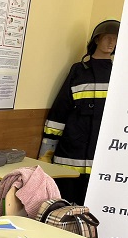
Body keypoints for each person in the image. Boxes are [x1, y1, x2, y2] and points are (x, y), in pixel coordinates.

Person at [38, 19, 120, 205]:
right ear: (96, 40)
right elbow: (60, 111)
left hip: (101, 157)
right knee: (64, 206)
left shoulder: (120, 75)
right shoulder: (78, 71)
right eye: (107, 37)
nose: (111, 42)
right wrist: (46, 153)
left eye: (115, 39)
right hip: (71, 153)